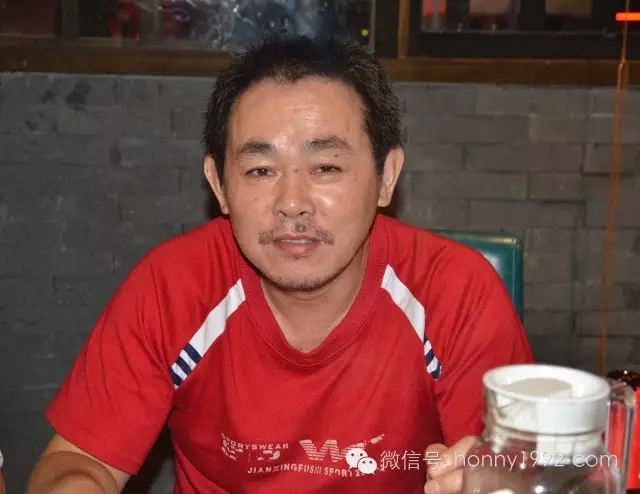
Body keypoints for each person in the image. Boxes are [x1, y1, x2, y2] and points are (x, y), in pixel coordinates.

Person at [27, 34, 534, 494]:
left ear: (387, 176)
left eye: (326, 167)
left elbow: (515, 468)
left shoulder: (456, 293)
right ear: (219, 184)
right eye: (260, 170)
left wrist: (495, 479)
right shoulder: (173, 287)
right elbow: (78, 459)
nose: (292, 203)